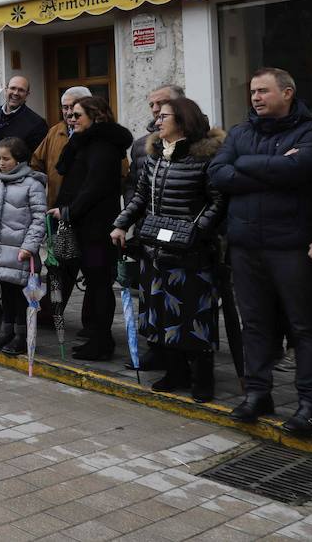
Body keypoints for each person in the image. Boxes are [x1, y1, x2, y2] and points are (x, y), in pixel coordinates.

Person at [208, 67, 312, 434]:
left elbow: (300, 171)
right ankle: (258, 393)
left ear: (288, 93)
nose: (256, 97)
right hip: (245, 245)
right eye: (253, 92)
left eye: (263, 91)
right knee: (255, 324)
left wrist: (242, 167)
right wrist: (275, 168)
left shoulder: (311, 132)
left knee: (302, 325)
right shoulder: (241, 132)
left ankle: (311, 403)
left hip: (290, 245)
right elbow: (217, 172)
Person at [112, 98, 226, 401]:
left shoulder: (206, 158)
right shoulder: (156, 157)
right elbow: (139, 197)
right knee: (162, 314)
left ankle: (203, 378)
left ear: (183, 120)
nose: (157, 122)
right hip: (156, 249)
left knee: (194, 316)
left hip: (192, 254)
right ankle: (175, 373)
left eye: (164, 117)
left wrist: (195, 231)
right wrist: (122, 223)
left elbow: (218, 201)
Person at [51, 95, 132, 361]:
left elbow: (94, 188)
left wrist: (68, 211)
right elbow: (62, 168)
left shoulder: (104, 145)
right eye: (69, 115)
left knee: (99, 284)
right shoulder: (83, 141)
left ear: (96, 116)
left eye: (77, 115)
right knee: (93, 281)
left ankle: (101, 341)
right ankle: (97, 339)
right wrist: (74, 138)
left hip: (97, 230)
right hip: (81, 227)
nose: (71, 119)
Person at [0, 137, 47, 355]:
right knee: (5, 292)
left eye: (6, 158)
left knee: (21, 295)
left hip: (20, 250)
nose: (2, 162)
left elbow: (39, 219)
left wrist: (30, 246)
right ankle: (6, 331)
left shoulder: (32, 184)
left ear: (19, 159)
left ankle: (22, 335)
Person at [31, 86, 92, 209]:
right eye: (65, 107)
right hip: (56, 209)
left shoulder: (100, 133)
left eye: (73, 106)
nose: (69, 113)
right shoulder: (55, 132)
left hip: (89, 212)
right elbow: (36, 165)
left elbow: (119, 175)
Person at [0, 77, 47, 157]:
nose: (16, 93)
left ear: (27, 95)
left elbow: (35, 158)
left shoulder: (37, 124)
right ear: (6, 90)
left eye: (21, 90)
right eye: (12, 88)